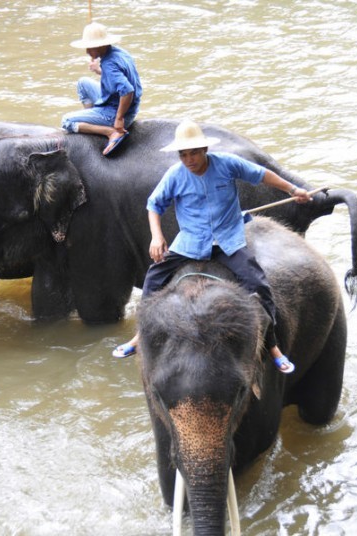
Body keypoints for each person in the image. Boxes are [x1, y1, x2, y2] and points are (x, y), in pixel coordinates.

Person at [112, 120, 312, 374]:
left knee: (259, 284)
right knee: (153, 279)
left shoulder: (226, 164)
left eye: (193, 152)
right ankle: (139, 336)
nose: (189, 159)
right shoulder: (175, 175)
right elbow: (154, 205)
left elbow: (262, 175)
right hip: (191, 242)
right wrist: (156, 236)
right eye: (183, 154)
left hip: (228, 239)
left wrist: (293, 189)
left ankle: (273, 346)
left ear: (204, 149)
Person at [62, 22, 142, 156]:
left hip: (117, 110)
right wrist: (99, 70)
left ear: (100, 45)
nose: (87, 51)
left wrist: (119, 118)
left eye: (90, 47)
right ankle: (92, 120)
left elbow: (127, 90)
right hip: (123, 102)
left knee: (67, 121)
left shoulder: (109, 64)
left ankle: (109, 131)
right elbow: (119, 77)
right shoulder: (120, 53)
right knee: (83, 83)